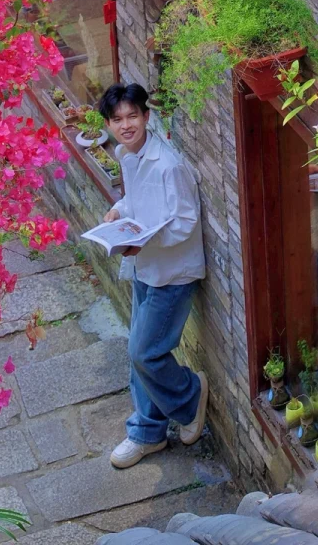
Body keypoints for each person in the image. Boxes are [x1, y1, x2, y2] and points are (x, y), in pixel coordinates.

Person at [97, 82, 208, 469]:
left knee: (146, 352)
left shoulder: (169, 164)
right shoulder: (129, 156)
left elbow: (184, 223)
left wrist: (144, 242)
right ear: (109, 125)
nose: (126, 125)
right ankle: (147, 432)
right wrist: (119, 210)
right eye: (117, 119)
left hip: (174, 273)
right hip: (146, 266)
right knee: (136, 355)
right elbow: (142, 200)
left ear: (147, 116)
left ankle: (191, 396)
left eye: (133, 116)